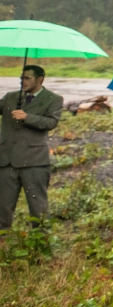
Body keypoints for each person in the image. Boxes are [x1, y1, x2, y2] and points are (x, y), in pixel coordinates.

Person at [0, 65, 63, 231]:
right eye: (21, 78)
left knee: (38, 207)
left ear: (40, 79)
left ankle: (41, 245)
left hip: (34, 162)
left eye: (27, 78)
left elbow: (51, 122)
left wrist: (28, 117)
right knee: (2, 207)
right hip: (7, 161)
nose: (23, 81)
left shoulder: (53, 99)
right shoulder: (10, 97)